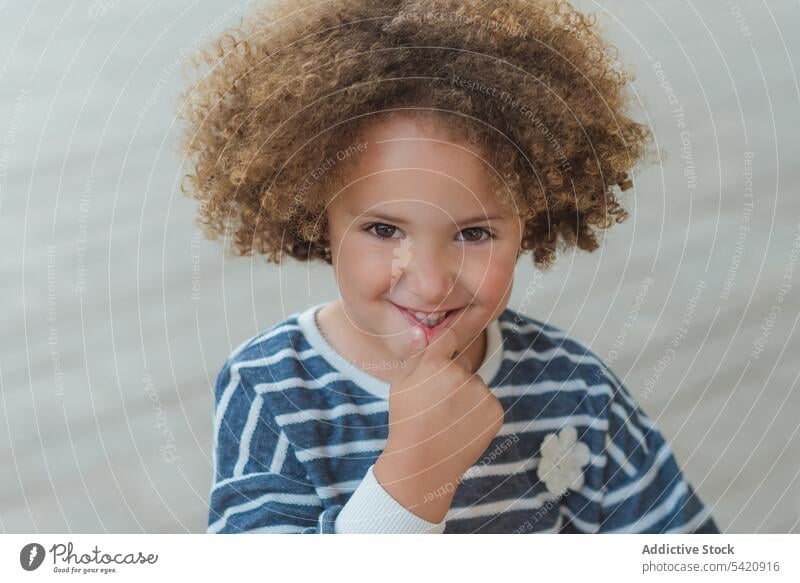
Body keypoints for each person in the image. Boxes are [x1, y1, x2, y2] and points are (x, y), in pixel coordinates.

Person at [179, 0, 719, 534]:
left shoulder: (576, 388)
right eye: (384, 230)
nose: (432, 283)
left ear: (531, 221)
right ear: (320, 218)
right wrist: (412, 481)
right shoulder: (273, 387)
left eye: (474, 233)